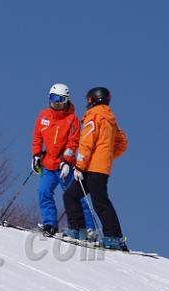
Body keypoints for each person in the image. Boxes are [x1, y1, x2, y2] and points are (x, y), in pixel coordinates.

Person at [62, 87, 129, 250]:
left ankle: (114, 237)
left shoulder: (94, 116)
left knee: (100, 202)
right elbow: (122, 143)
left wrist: (79, 165)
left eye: (88, 100)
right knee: (71, 195)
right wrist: (106, 156)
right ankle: (78, 231)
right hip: (97, 167)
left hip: (92, 167)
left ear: (93, 100)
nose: (87, 104)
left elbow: (86, 141)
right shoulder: (110, 119)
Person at [31, 83, 96, 236]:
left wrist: (66, 161)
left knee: (76, 196)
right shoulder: (43, 116)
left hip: (65, 167)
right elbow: (37, 137)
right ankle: (50, 224)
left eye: (60, 99)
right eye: (53, 98)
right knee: (43, 192)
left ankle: (89, 228)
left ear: (66, 100)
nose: (56, 103)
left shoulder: (72, 120)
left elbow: (73, 143)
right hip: (48, 165)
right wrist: (36, 155)